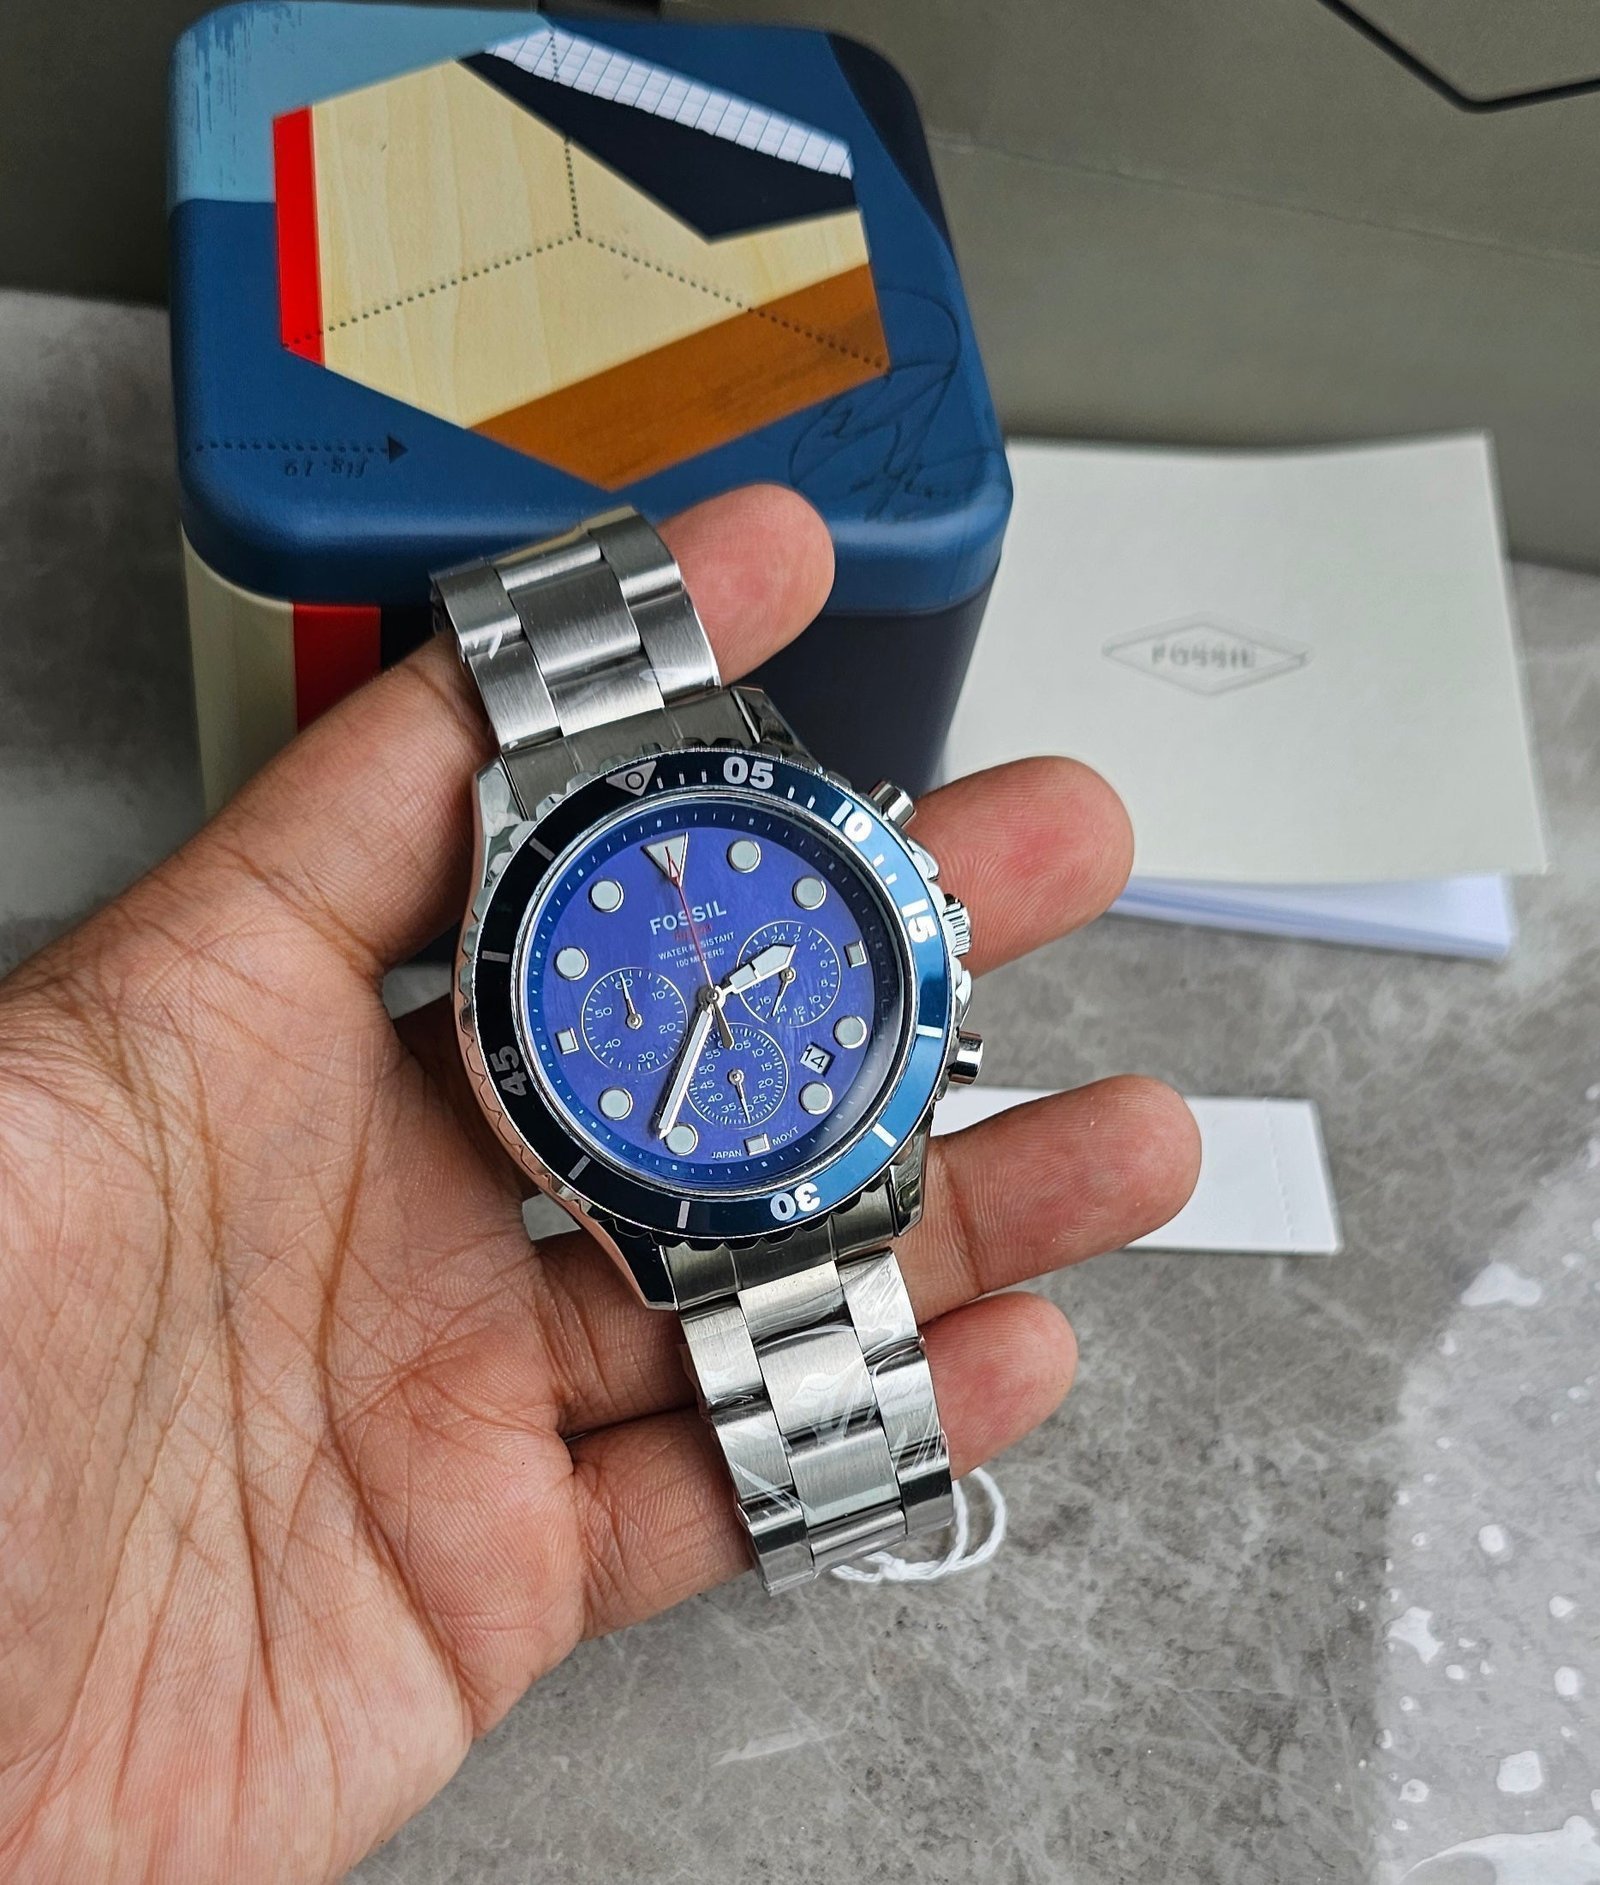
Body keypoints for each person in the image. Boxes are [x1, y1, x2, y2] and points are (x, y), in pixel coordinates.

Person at [0, 487, 1198, 1881]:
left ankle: (835, 1485)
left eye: (742, 975)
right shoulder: (524, 973)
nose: (713, 995)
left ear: (914, 920)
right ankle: (830, 1483)